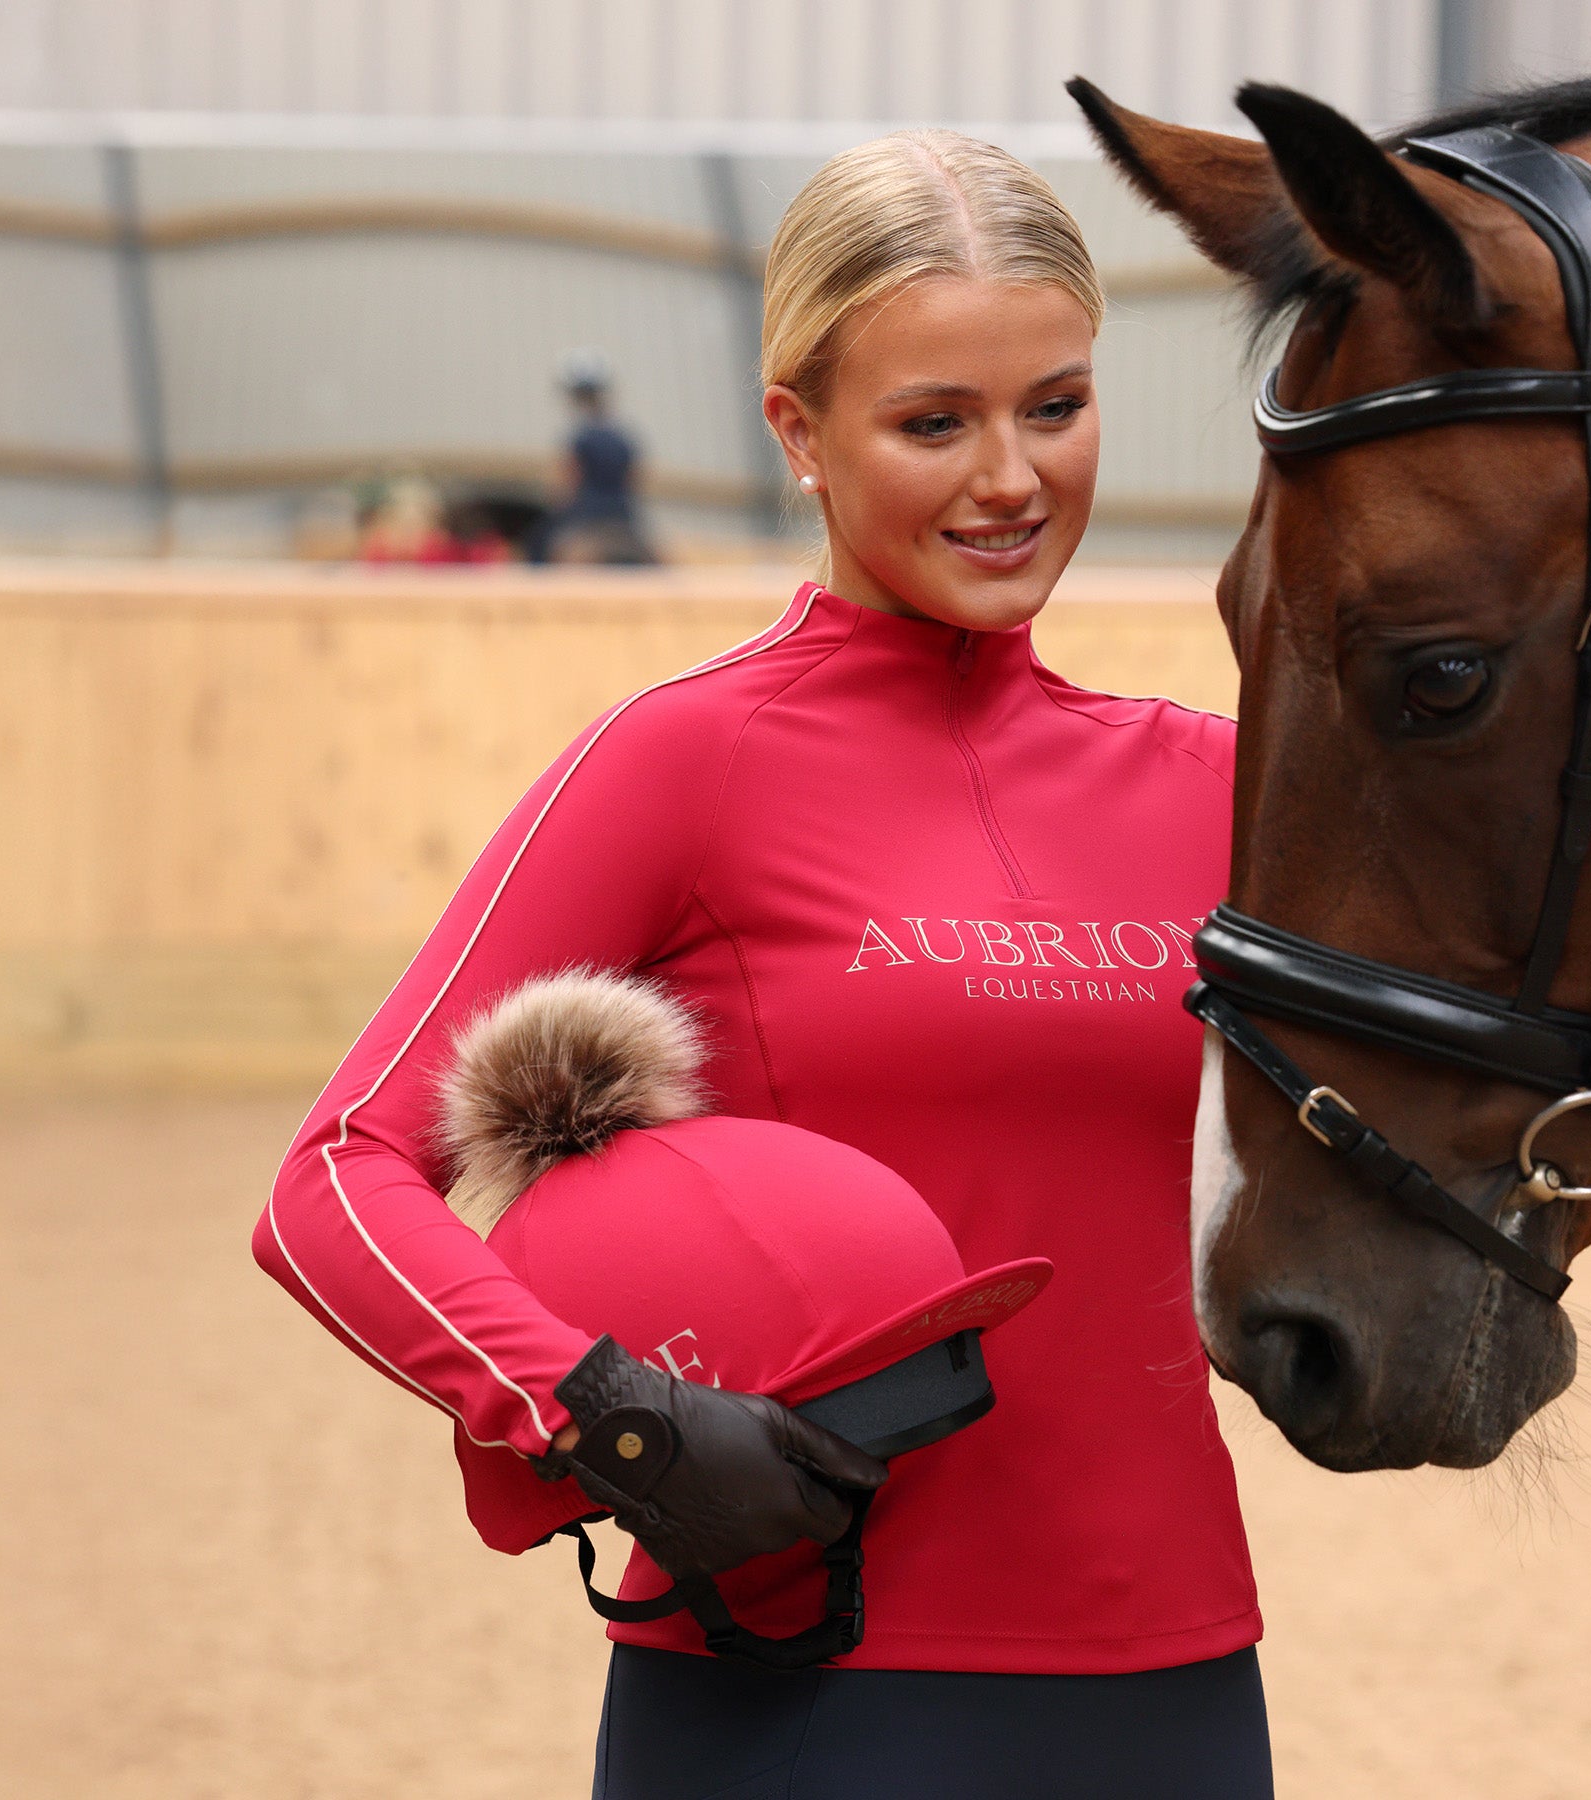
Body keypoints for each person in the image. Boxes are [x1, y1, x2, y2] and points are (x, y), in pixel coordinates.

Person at [256, 129, 1269, 1797]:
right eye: (934, 422)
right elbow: (334, 1182)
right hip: (799, 1683)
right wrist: (603, 1414)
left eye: (1056, 407)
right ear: (799, 432)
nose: (1011, 478)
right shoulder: (684, 760)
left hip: (1171, 1670)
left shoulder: (1216, 785)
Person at [529, 351, 658, 565]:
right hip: (623, 514)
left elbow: (568, 483)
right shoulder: (623, 437)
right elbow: (635, 480)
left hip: (585, 513)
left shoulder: (579, 437)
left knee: (538, 542)